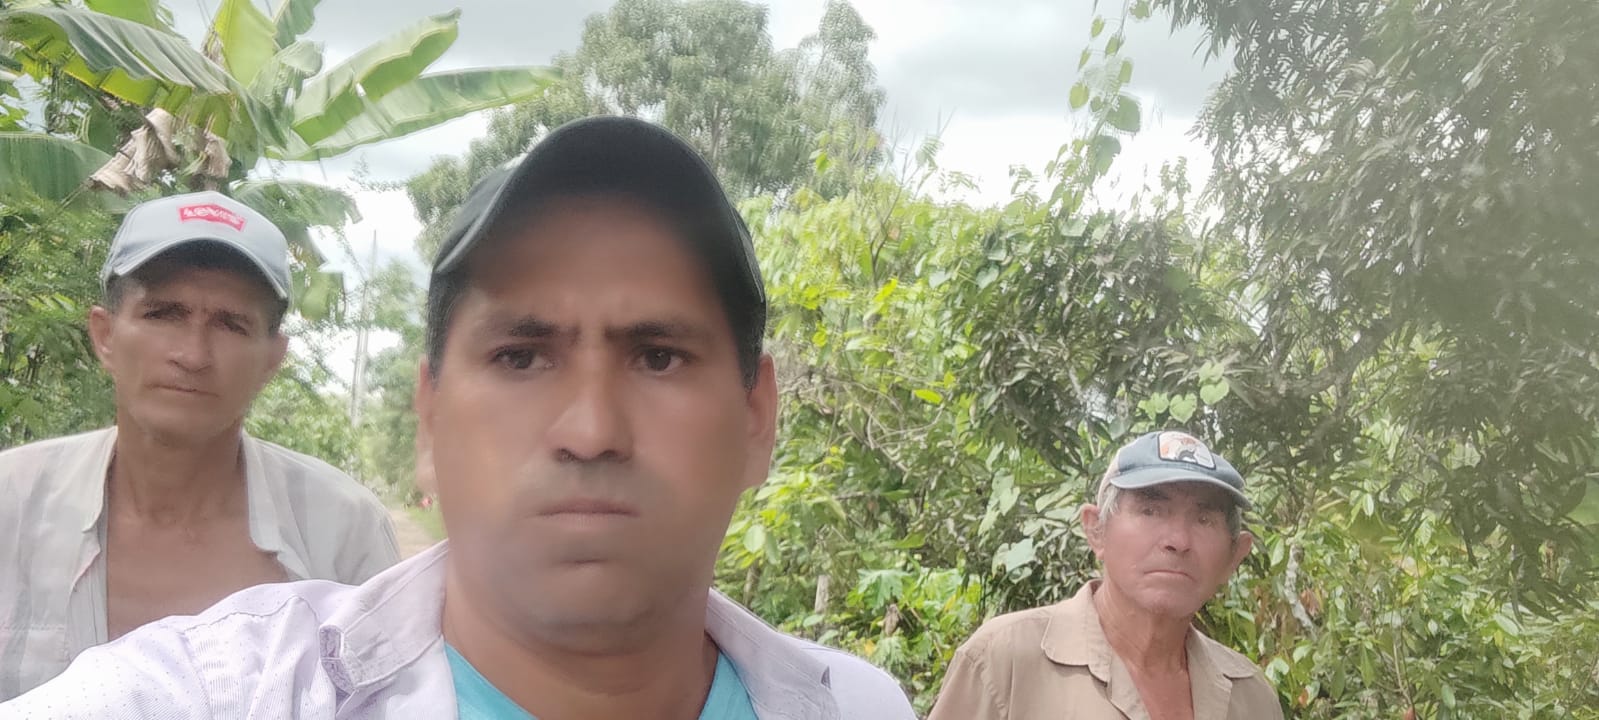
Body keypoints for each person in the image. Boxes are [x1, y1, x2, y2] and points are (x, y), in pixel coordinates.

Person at [0, 117, 917, 719]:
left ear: (756, 418)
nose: (591, 429)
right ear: (429, 419)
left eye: (658, 356)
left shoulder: (862, 707)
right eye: (520, 356)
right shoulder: (219, 694)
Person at [0, 192, 400, 701]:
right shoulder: (11, 503)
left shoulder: (341, 532)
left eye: (231, 324)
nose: (193, 355)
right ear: (105, 336)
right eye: (163, 313)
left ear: (272, 359)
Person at [928, 430, 1284, 720]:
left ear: (1234, 556)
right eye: (1151, 510)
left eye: (1204, 519)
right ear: (1096, 530)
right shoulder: (1005, 661)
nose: (1178, 540)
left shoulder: (1250, 697)